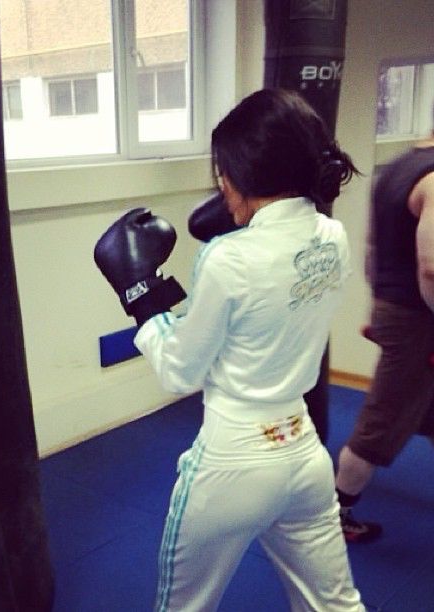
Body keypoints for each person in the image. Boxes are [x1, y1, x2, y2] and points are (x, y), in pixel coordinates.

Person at [95, 88, 363, 611]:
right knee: (336, 605)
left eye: (221, 172)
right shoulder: (334, 236)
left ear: (236, 174)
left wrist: (139, 294)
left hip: (232, 462)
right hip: (304, 455)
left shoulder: (227, 259)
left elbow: (180, 370)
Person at [334, 96, 434, 544]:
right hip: (422, 316)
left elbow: (373, 249)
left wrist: (378, 309)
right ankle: (335, 513)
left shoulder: (397, 166)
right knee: (381, 422)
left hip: (399, 310)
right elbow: (433, 267)